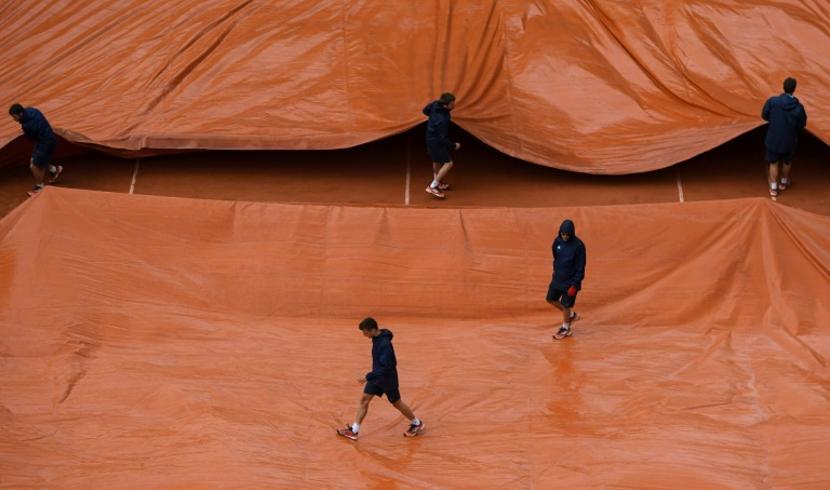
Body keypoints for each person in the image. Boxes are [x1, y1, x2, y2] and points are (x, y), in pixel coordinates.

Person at [337, 318, 424, 440]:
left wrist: (368, 377)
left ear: (372, 330)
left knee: (397, 403)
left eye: (365, 332)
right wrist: (372, 376)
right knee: (364, 400)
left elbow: (388, 367)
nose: (364, 335)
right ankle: (354, 431)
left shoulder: (385, 345)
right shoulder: (377, 336)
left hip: (388, 379)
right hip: (376, 377)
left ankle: (416, 423)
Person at [762, 77, 807, 200]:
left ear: (783, 87)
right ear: (794, 89)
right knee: (787, 161)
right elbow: (802, 124)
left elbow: (764, 115)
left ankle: (773, 188)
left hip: (773, 138)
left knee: (774, 162)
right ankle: (783, 182)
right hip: (790, 139)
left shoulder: (772, 101)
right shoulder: (799, 107)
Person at [8, 103, 63, 197]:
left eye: (14, 116)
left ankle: (40, 187)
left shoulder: (27, 125)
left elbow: (31, 138)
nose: (14, 119)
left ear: (20, 114)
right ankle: (54, 169)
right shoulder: (32, 110)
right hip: (49, 139)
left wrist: (26, 131)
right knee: (38, 160)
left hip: (45, 143)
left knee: (34, 165)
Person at [547, 219, 586, 340]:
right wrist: (556, 270)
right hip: (558, 278)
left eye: (567, 235)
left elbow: (581, 266)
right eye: (563, 234)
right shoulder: (557, 241)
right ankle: (571, 315)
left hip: (570, 282)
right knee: (550, 299)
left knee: (565, 304)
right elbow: (555, 256)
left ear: (572, 233)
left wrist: (575, 284)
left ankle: (565, 328)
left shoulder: (579, 246)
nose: (565, 237)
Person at [423, 93, 460, 199]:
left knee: (436, 160)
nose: (454, 105)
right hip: (436, 142)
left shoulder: (435, 104)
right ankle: (433, 186)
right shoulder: (443, 119)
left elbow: (425, 111)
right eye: (452, 104)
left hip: (429, 138)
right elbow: (442, 138)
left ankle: (437, 181)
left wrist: (432, 119)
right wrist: (454, 145)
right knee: (449, 163)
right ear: (445, 105)